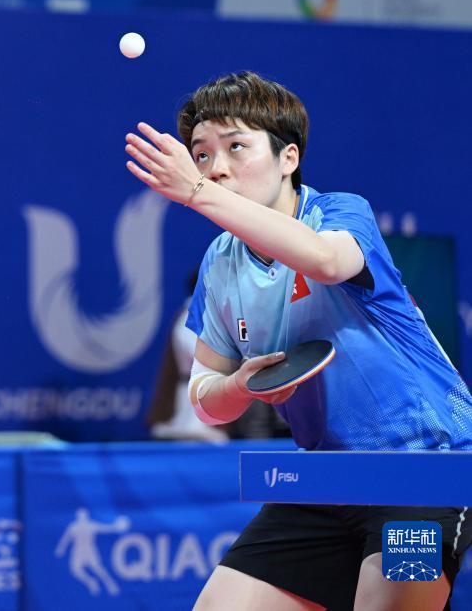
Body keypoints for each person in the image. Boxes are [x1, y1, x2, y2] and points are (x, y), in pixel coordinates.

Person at [124, 71, 472, 610]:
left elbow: (327, 261)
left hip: (422, 474)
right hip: (323, 481)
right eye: (201, 155)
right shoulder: (220, 263)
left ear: (288, 157)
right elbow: (205, 398)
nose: (215, 167)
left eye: (235, 147)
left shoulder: (340, 214)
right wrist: (239, 387)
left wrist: (196, 193)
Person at [145, 270, 228, 442]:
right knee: (199, 446)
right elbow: (203, 355)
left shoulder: (204, 315)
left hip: (204, 395)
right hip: (192, 402)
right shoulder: (191, 316)